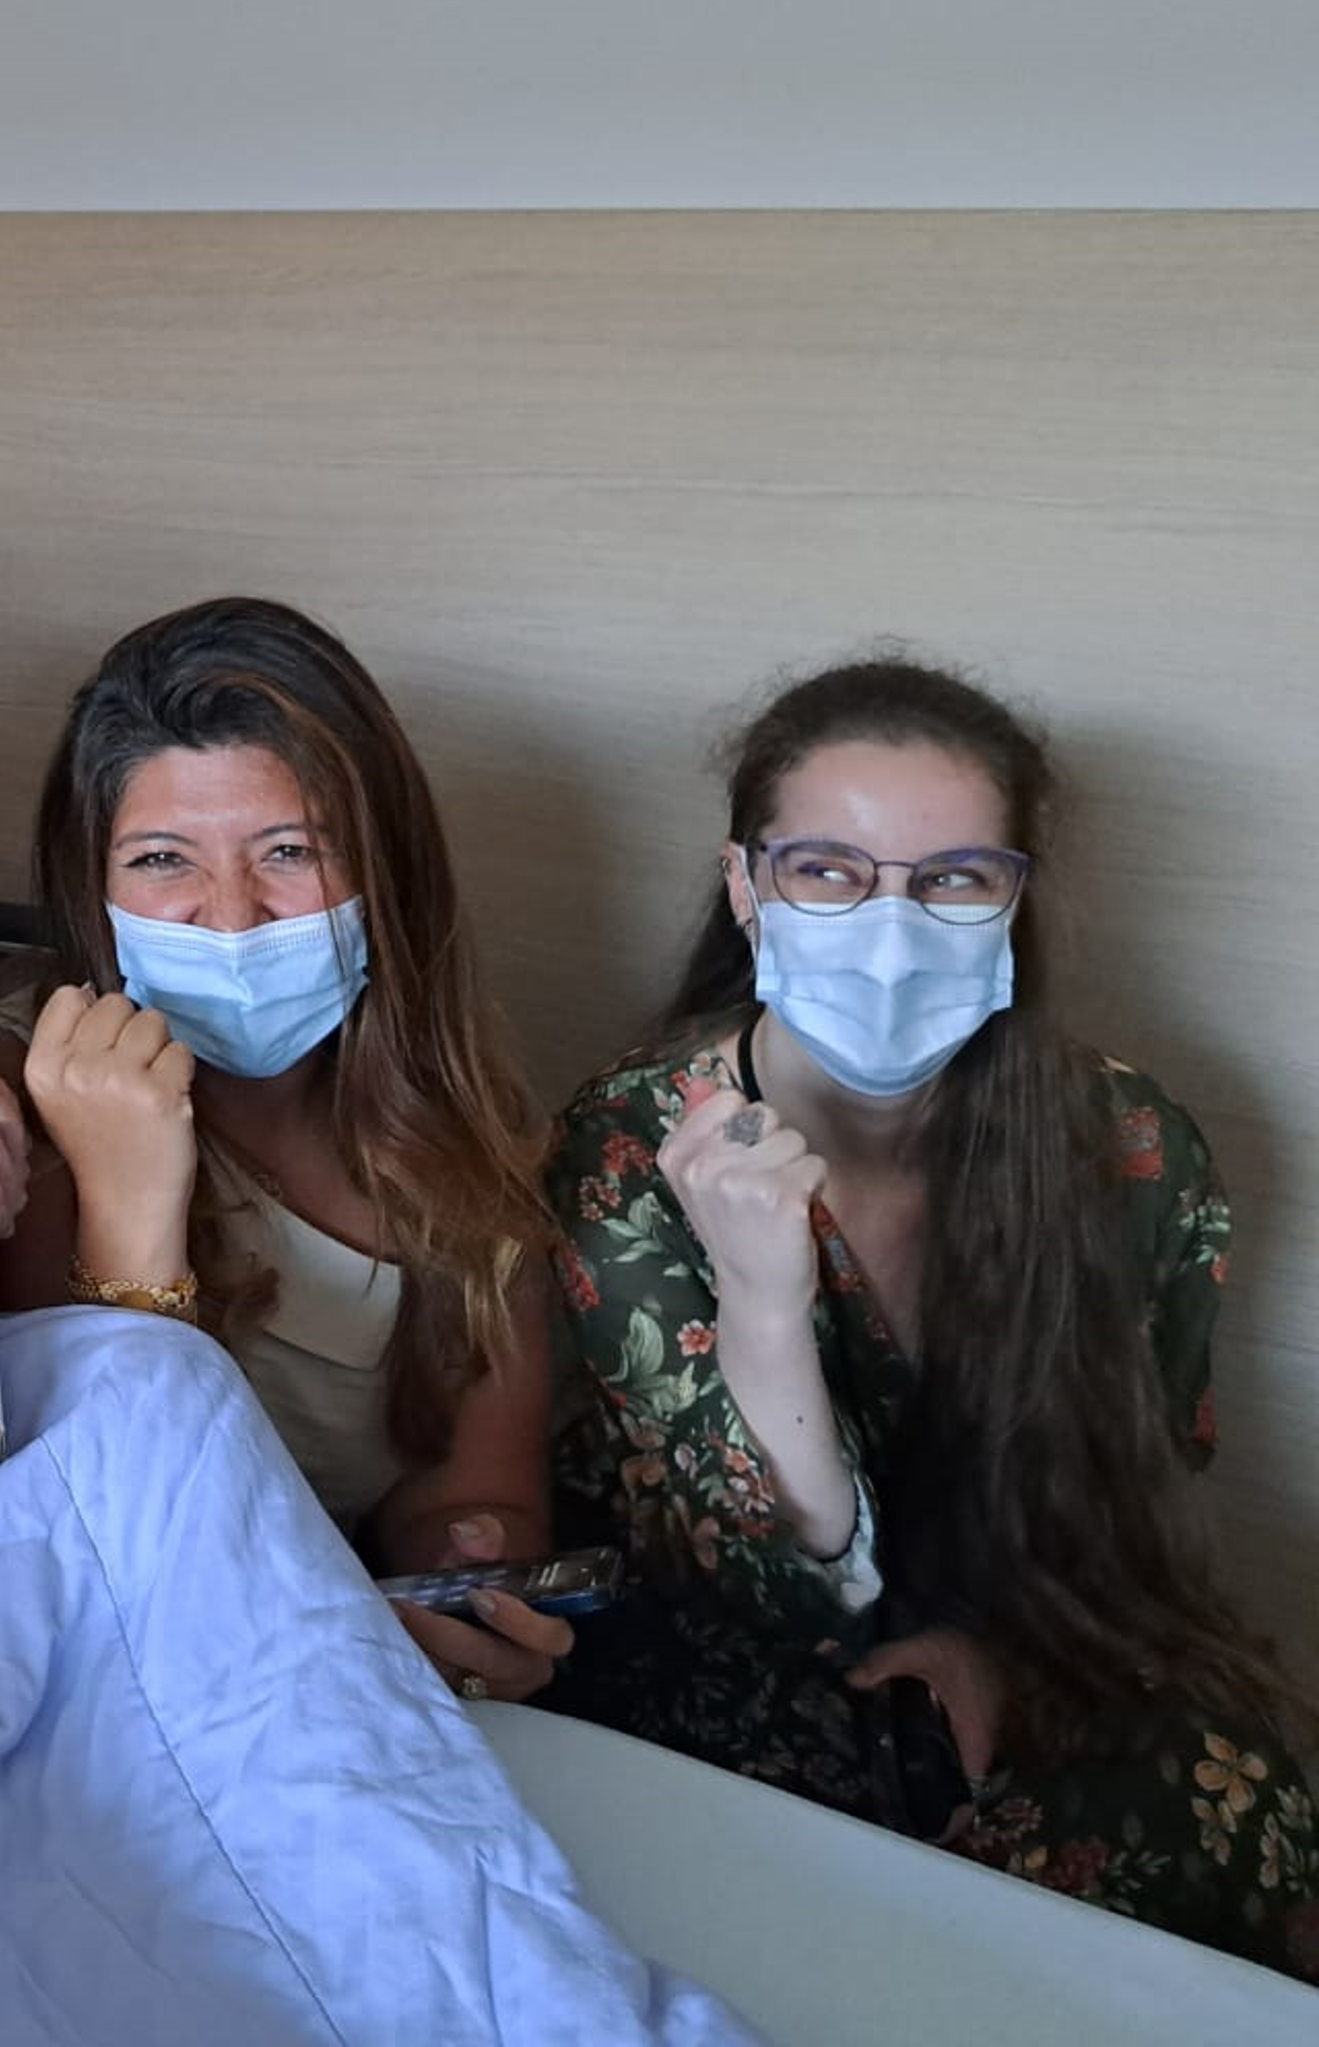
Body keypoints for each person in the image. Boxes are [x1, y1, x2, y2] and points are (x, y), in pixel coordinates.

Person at [544, 656, 1317, 1979]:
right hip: (727, 1647)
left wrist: (998, 1644)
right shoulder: (629, 1146)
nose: (891, 929)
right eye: (828, 870)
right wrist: (767, 1301)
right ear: (746, 887)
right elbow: (750, 1579)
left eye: (954, 878)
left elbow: (1135, 1484)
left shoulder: (1132, 1143)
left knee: (1226, 1782)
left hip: (1038, 1607)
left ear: (1016, 896)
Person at [0, 598, 571, 1703]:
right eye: (164, 859)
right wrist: (130, 1205)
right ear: (94, 887)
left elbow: (474, 1491)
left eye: (290, 852)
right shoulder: (19, 1104)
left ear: (383, 871)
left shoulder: (459, 1121)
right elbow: (93, 1538)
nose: (235, 917)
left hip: (332, 1678)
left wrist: (465, 1582)